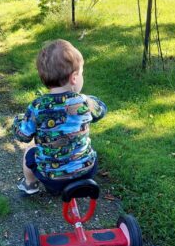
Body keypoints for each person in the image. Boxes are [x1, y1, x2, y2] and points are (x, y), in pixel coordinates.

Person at [13, 39, 107, 196]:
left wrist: (18, 121)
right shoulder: (84, 102)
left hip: (52, 179)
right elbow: (101, 110)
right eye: (82, 73)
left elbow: (23, 135)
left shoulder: (37, 107)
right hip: (87, 170)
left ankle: (30, 185)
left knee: (30, 150)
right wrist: (88, 99)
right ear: (74, 77)